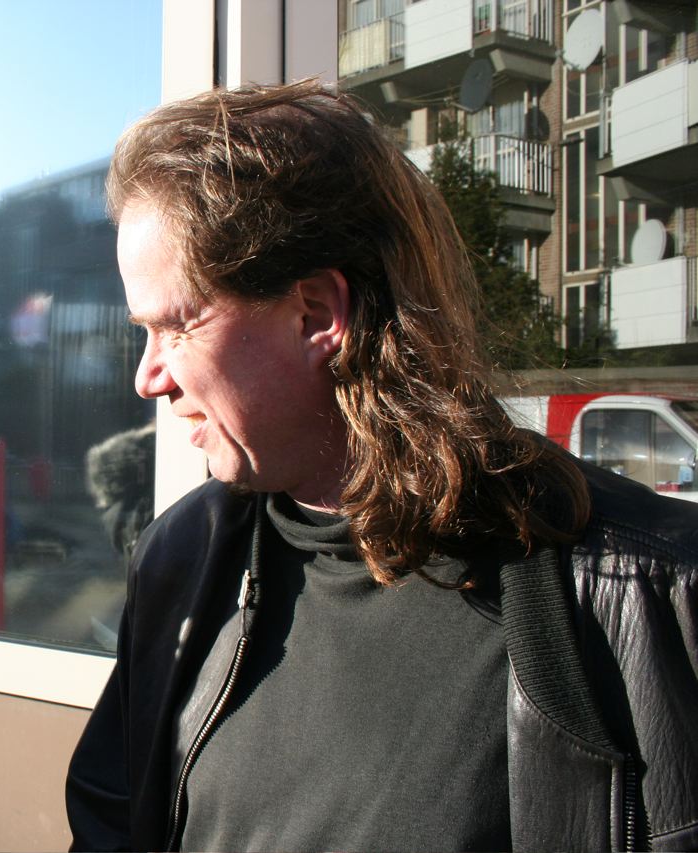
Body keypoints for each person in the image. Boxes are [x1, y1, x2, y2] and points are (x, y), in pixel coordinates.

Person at [65, 81, 698, 852]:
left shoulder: (642, 589)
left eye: (174, 326)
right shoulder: (179, 560)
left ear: (316, 315)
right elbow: (109, 824)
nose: (148, 377)